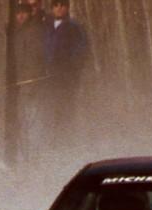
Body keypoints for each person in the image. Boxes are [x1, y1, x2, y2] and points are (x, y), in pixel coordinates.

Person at [45, 0, 86, 142]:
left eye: (62, 5)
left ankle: (68, 141)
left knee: (67, 110)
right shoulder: (49, 27)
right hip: (51, 77)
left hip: (67, 77)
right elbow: (46, 50)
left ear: (67, 8)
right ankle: (56, 141)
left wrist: (70, 68)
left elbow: (81, 50)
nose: (59, 8)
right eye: (56, 5)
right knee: (52, 110)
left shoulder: (73, 26)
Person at [12, 3, 47, 159]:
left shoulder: (34, 30)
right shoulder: (17, 32)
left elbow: (35, 58)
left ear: (29, 14)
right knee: (24, 118)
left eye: (23, 13)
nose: (20, 16)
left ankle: (36, 153)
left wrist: (31, 80)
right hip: (20, 82)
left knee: (34, 117)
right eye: (18, 13)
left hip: (31, 82)